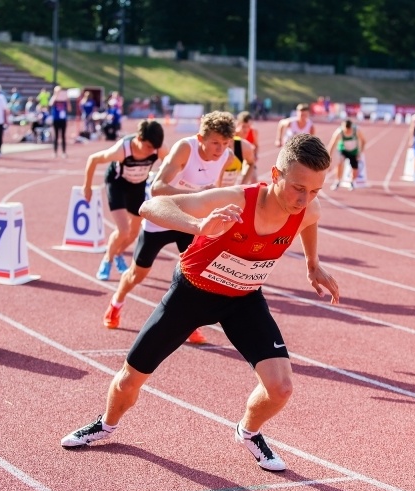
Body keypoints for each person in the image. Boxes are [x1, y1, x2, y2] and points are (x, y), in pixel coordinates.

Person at [61, 134, 339, 472]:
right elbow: (152, 205)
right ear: (276, 175)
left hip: (243, 299)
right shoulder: (236, 199)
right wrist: (198, 226)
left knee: (281, 388)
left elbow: (309, 221)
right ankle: (105, 424)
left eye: (314, 191)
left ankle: (248, 433)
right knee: (128, 381)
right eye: (298, 188)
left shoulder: (309, 208)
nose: (304, 199)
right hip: (191, 295)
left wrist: (313, 263)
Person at [101, 111, 235, 345]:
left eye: (224, 144)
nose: (219, 149)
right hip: (162, 217)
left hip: (189, 222)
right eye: (215, 143)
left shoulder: (226, 156)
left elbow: (216, 190)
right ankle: (116, 303)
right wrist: (195, 196)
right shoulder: (186, 148)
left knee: (194, 275)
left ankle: (189, 324)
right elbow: (157, 188)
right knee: (138, 273)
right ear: (201, 138)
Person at [82, 120, 167, 281]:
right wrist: (87, 187)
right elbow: (93, 159)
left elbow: (171, 166)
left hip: (138, 185)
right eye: (149, 147)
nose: (152, 151)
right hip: (118, 184)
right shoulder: (122, 150)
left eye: (155, 148)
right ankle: (108, 259)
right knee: (123, 230)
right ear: (139, 138)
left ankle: (119, 253)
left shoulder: (158, 148)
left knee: (134, 233)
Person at [326, 119, 367, 190]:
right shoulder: (339, 132)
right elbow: (332, 145)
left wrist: (361, 152)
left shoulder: (357, 130)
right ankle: (337, 181)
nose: (347, 132)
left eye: (349, 130)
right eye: (346, 130)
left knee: (355, 167)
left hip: (354, 151)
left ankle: (352, 182)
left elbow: (363, 141)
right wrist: (328, 158)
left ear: (351, 127)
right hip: (343, 150)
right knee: (339, 163)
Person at [235, 111, 259, 183]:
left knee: (254, 179)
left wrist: (255, 154)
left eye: (248, 126)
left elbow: (256, 145)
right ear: (238, 124)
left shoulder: (254, 131)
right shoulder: (235, 133)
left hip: (248, 157)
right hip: (236, 157)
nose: (246, 130)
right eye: (243, 126)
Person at [50, 85, 69, 158]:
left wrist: (67, 99)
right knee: (56, 136)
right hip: (56, 119)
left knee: (63, 136)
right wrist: (56, 95)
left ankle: (64, 152)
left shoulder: (64, 100)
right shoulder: (54, 99)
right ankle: (55, 152)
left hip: (63, 120)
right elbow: (50, 104)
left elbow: (69, 108)